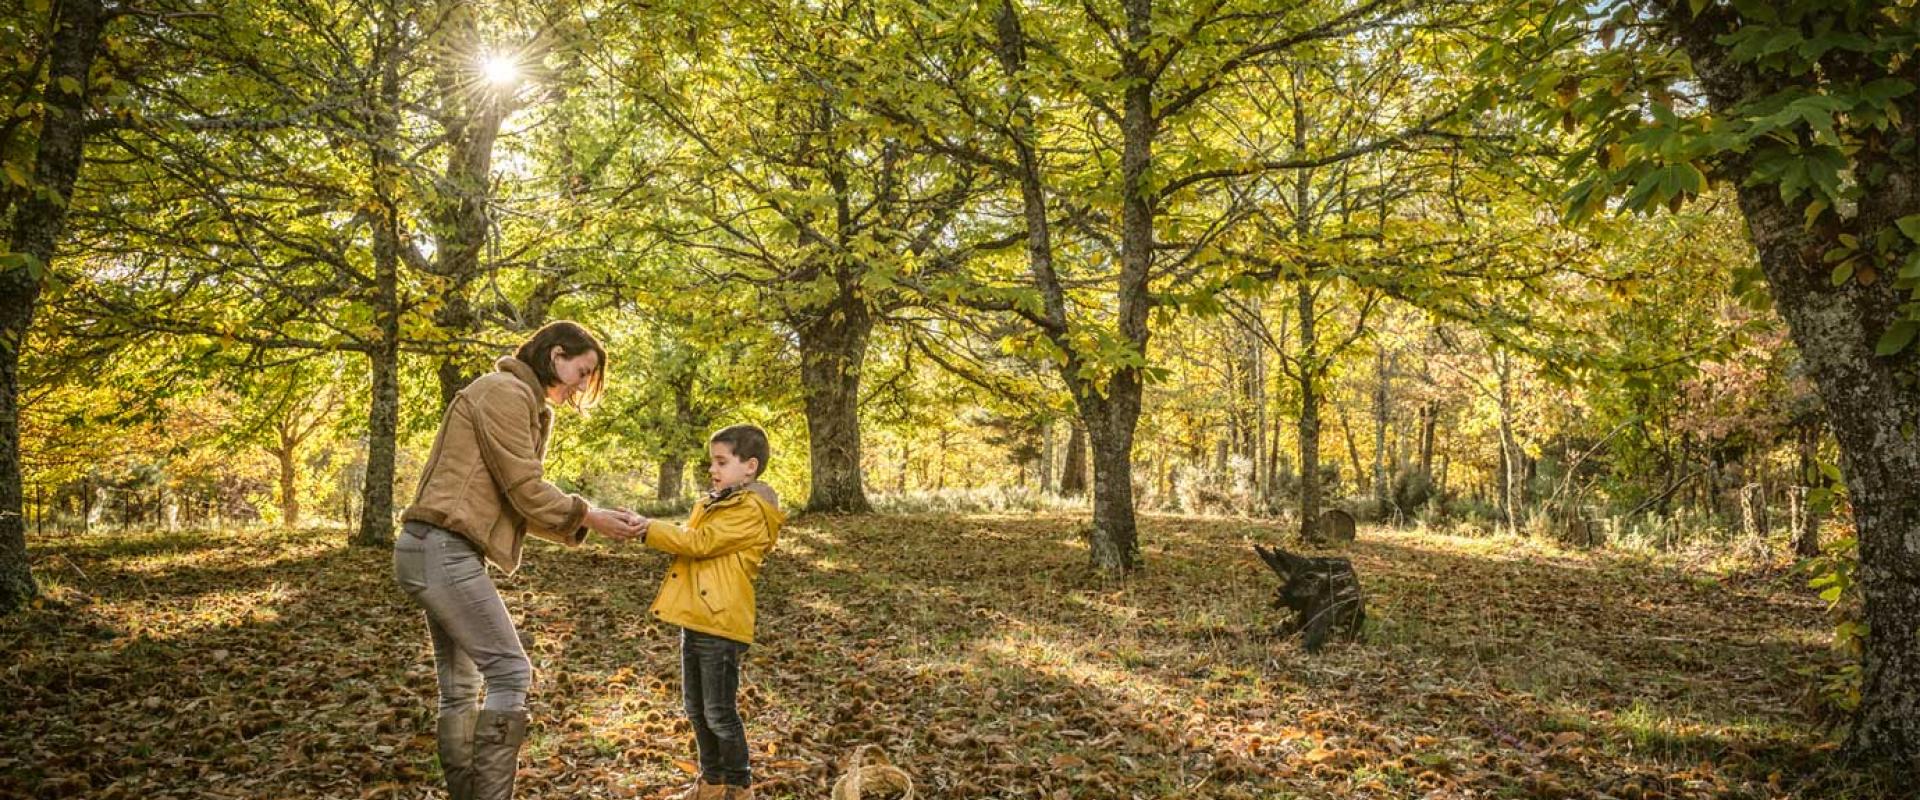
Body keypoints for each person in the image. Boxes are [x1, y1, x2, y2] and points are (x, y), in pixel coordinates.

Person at [393, 320, 644, 800]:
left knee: (460, 689)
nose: (582, 386)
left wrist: (590, 521)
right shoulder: (504, 393)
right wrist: (590, 516)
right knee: (511, 672)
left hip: (434, 548)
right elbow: (526, 490)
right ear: (555, 357)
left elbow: (518, 502)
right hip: (442, 549)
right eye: (582, 371)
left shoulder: (515, 398)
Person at [635, 424, 786, 800]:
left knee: (719, 712)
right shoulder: (717, 502)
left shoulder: (750, 510)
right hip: (697, 617)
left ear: (749, 467)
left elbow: (700, 543)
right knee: (696, 709)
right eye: (711, 462)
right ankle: (712, 782)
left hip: (721, 621)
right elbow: (693, 541)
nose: (712, 470)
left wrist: (646, 528)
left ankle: (739, 786)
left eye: (721, 461)